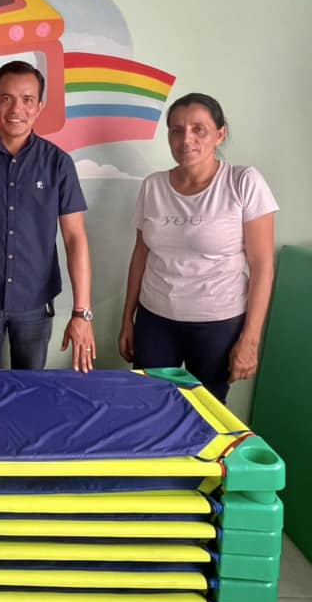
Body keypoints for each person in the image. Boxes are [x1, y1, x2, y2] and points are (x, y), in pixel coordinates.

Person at [118, 92, 278, 402]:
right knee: (150, 404)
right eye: (176, 130)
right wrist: (128, 318)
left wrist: (250, 340)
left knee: (206, 411)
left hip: (217, 325)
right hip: (155, 320)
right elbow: (141, 255)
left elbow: (262, 267)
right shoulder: (153, 185)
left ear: (220, 134)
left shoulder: (243, 182)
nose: (186, 139)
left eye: (198, 129)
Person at [0, 60, 96, 372]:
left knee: (31, 388)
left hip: (35, 303)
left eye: (27, 99)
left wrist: (82, 312)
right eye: (6, 98)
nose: (17, 109)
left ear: (39, 106)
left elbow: (75, 238)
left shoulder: (57, 163)